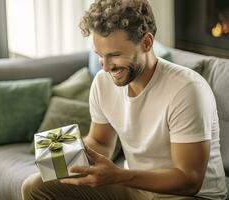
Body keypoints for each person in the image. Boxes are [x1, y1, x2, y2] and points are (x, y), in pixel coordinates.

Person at [21, 0, 227, 199]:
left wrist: (120, 175)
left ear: (146, 43)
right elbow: (100, 141)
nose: (105, 67)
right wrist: (56, 154)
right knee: (35, 186)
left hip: (190, 196)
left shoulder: (187, 90)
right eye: (100, 55)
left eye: (114, 55)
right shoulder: (103, 82)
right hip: (135, 187)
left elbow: (189, 180)